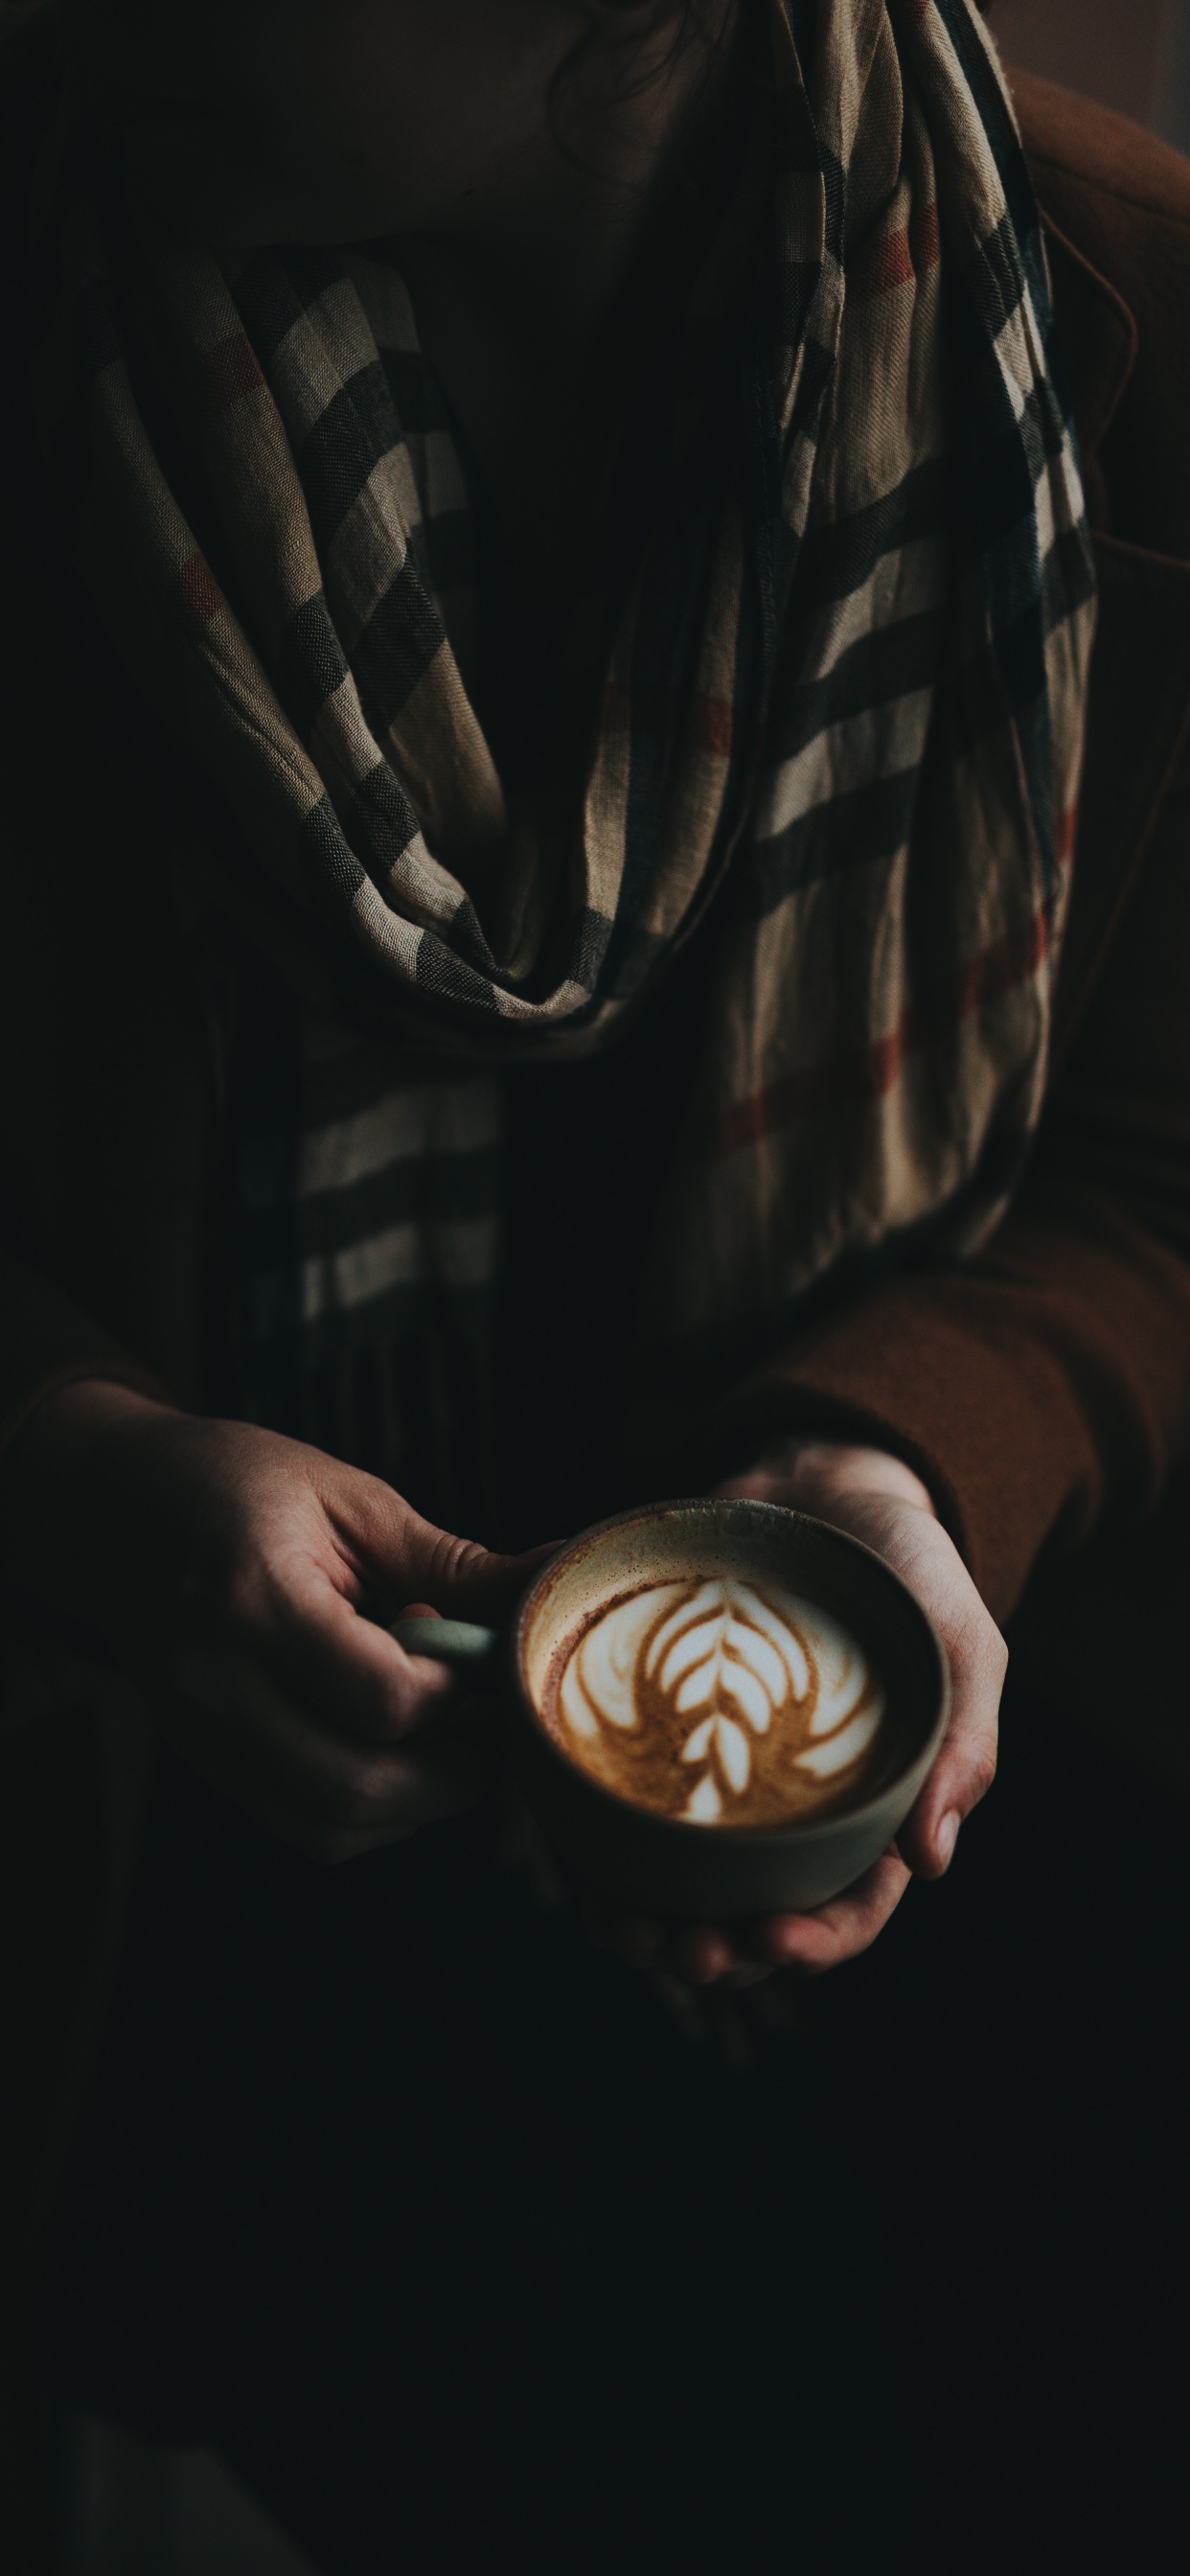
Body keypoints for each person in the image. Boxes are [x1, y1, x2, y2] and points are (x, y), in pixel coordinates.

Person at [2, 1, 1189, 2566]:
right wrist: (73, 1462)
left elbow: (1164, 1171)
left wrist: (905, 1456)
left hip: (1005, 1963)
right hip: (227, 1965)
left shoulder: (1145, 339)